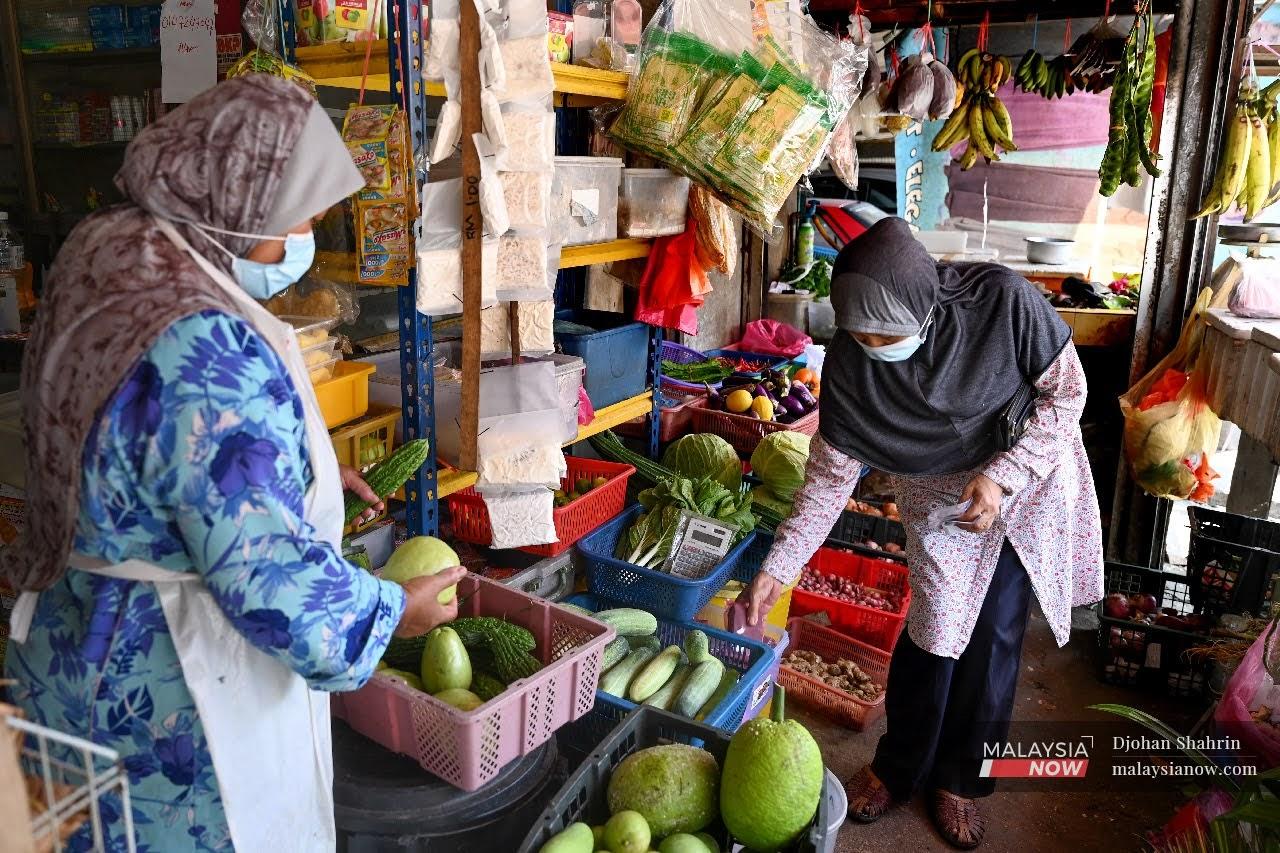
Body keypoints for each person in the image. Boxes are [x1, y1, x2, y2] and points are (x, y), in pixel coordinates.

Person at [1, 75, 462, 852]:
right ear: (238, 201)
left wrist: (293, 477)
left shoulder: (108, 250)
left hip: (71, 640)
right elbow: (274, 586)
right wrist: (388, 614)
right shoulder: (202, 341)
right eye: (295, 220)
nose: (301, 242)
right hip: (163, 693)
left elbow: (162, 451)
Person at [744, 217, 1103, 849]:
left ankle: (962, 780)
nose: (873, 346)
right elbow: (828, 481)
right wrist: (779, 567)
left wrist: (1002, 477)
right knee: (934, 625)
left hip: (1025, 472)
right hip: (936, 487)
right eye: (859, 333)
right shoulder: (852, 368)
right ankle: (898, 765)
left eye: (886, 333)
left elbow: (1067, 396)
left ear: (924, 306)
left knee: (993, 632)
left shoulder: (1003, 303)